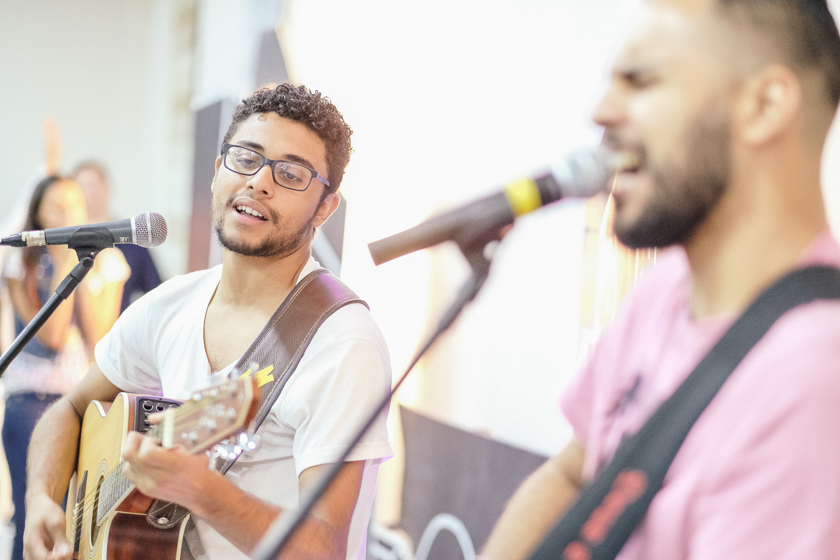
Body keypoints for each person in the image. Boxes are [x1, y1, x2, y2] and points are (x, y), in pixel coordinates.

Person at [481, 0, 840, 559]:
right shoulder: (663, 289)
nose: (600, 110)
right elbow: (575, 475)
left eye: (640, 81)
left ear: (765, 105)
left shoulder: (813, 374)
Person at [23, 83, 393, 560]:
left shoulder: (343, 342)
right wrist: (39, 499)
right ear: (218, 171)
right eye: (246, 158)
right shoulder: (171, 304)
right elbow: (69, 409)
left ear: (325, 206)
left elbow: (324, 548)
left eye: (292, 174)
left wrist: (204, 492)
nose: (260, 181)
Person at [2, 176, 127, 560]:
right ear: (38, 213)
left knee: (82, 522)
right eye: (56, 205)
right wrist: (60, 261)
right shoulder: (20, 263)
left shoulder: (108, 262)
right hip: (29, 402)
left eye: (73, 203)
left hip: (83, 403)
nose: (66, 212)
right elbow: (52, 335)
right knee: (36, 518)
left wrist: (83, 265)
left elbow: (99, 337)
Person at [73, 161, 163, 312]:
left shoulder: (132, 240)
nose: (89, 193)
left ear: (106, 188)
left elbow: (157, 292)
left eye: (93, 185)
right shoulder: (66, 245)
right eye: (82, 187)